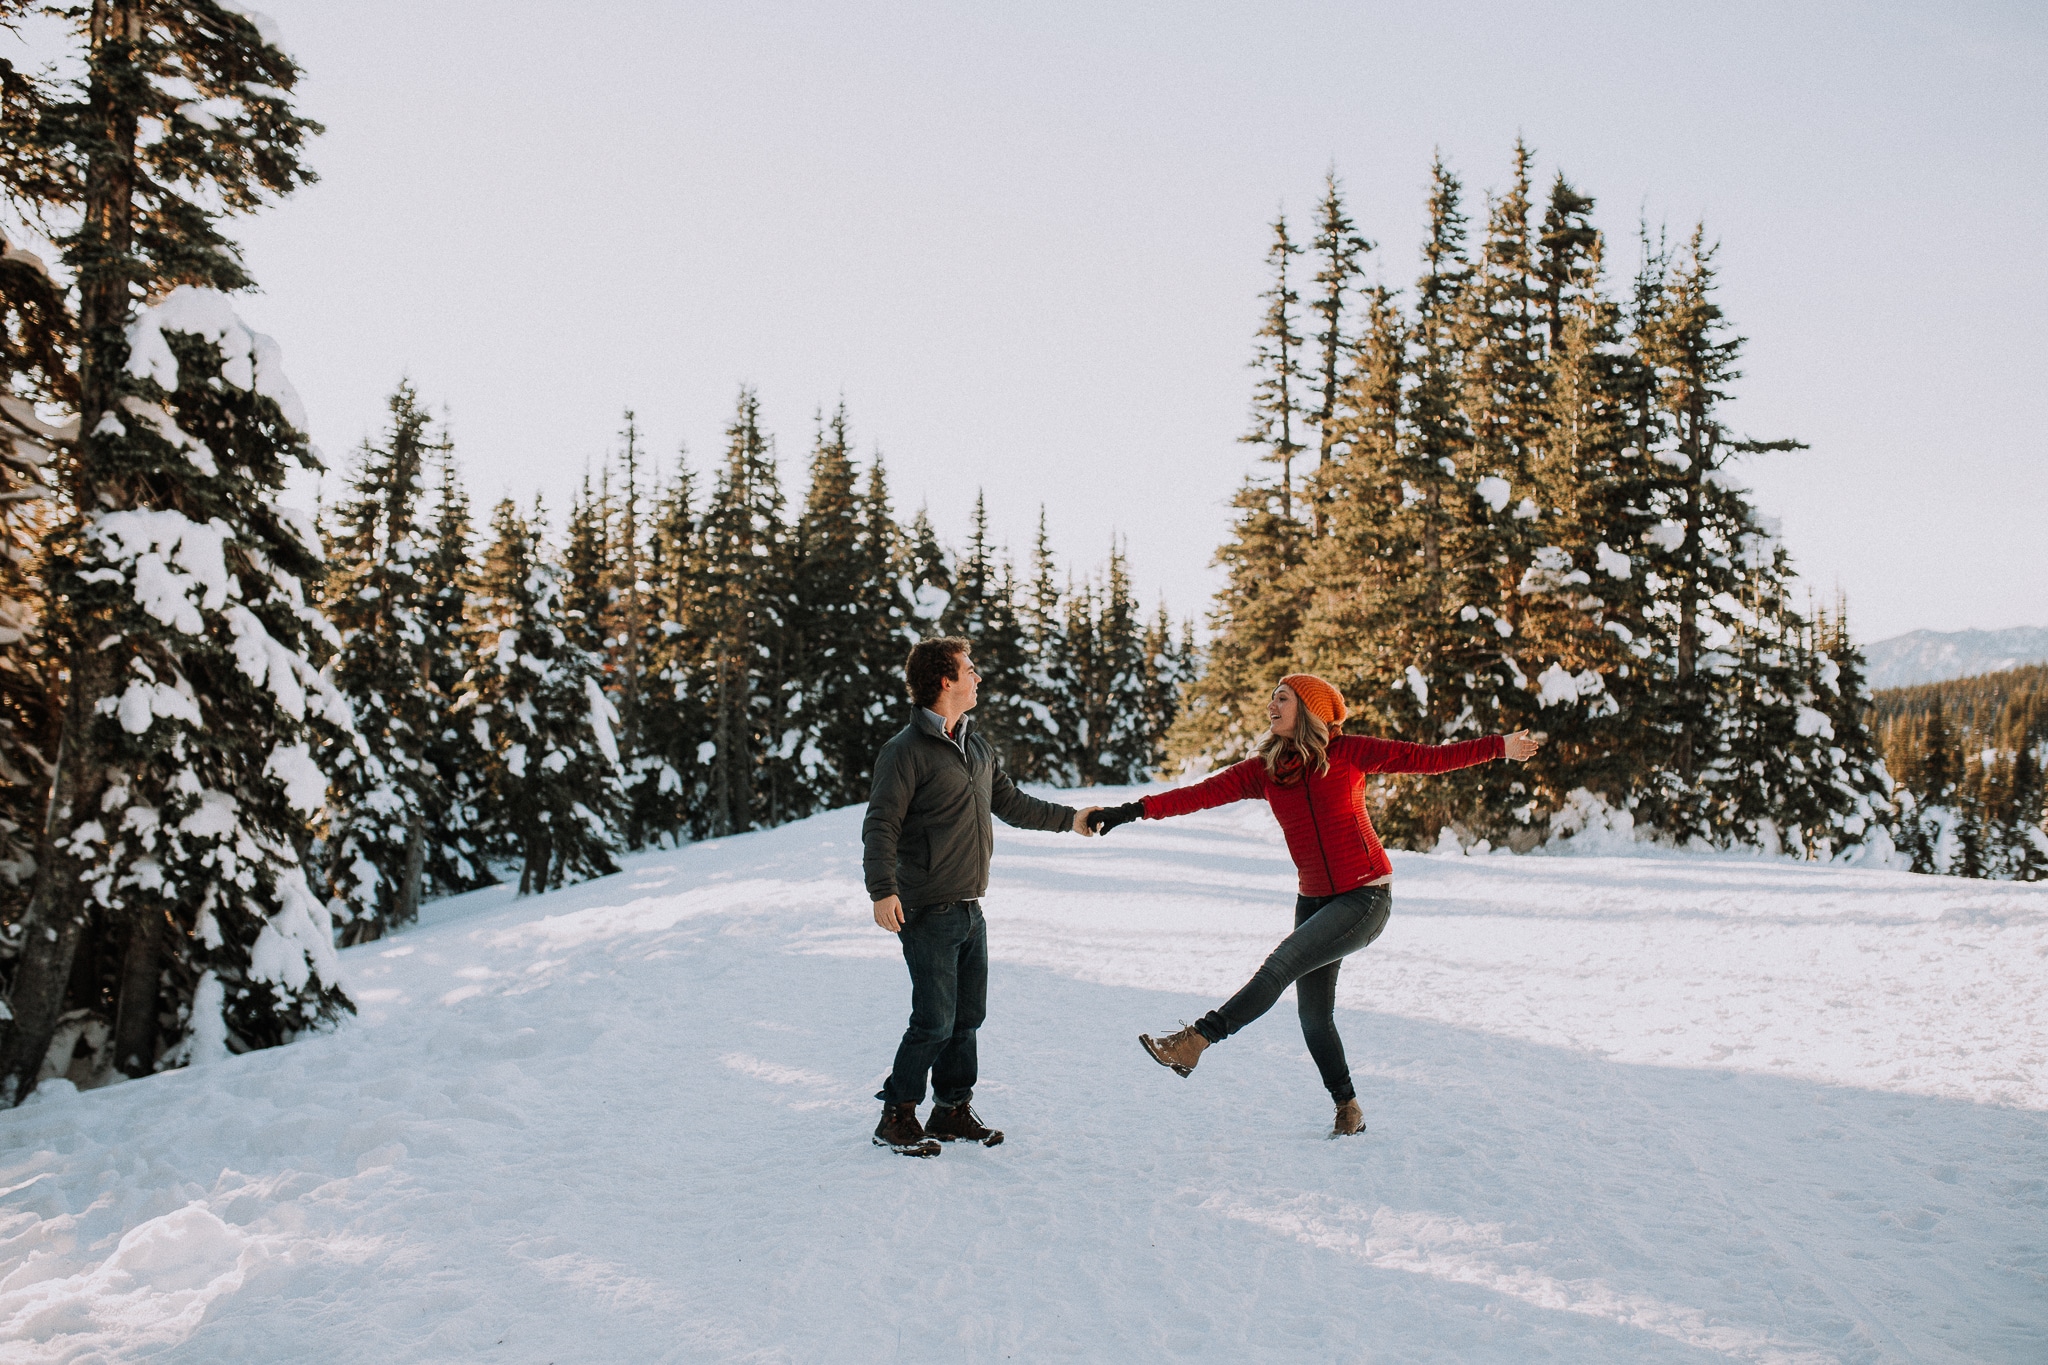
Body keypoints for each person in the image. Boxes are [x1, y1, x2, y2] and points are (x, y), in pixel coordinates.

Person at [1087, 672, 1542, 1137]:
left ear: (1309, 709)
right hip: (1314, 899)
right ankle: (1348, 1108)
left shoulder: (1348, 752)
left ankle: (1197, 1040)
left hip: (1365, 894)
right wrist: (1129, 811)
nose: (1271, 705)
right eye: (1271, 697)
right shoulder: (1264, 769)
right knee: (1313, 1017)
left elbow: (1427, 759)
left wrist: (1498, 746)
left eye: (1282, 698)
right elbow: (1197, 795)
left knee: (1279, 965)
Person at [863, 636, 1101, 1156]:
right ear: (945, 680)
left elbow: (1013, 803)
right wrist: (883, 890)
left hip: (970, 907)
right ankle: (897, 1115)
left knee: (967, 1018)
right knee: (933, 1021)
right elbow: (881, 824)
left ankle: (950, 1110)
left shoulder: (976, 746)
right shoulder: (904, 752)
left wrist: (1073, 821)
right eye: (969, 670)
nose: (977, 677)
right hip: (926, 909)